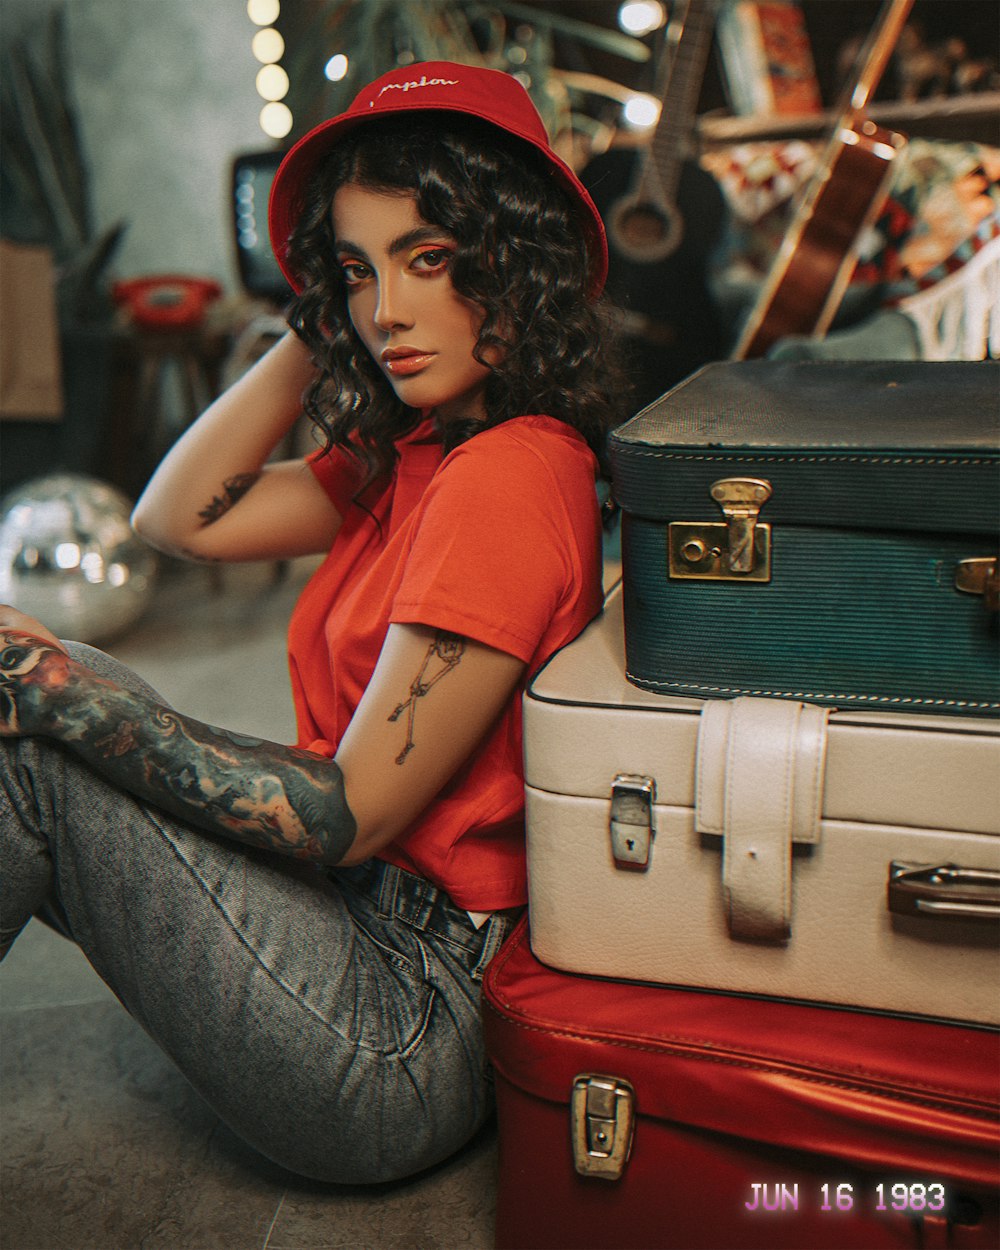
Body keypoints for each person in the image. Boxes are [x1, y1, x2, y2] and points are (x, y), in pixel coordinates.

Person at [0, 61, 624, 1184]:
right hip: (347, 927)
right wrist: (321, 318)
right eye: (358, 270)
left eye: (428, 259)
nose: (389, 309)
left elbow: (353, 816)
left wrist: (62, 691)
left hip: (406, 1020)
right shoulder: (415, 455)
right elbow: (175, 515)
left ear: (513, 266)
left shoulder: (511, 477)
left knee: (38, 736)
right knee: (46, 692)